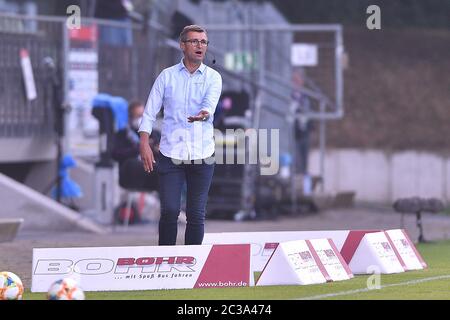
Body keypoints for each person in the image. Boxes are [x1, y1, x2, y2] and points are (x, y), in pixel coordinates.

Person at [139, 25, 222, 246]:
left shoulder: (213, 78)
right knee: (169, 210)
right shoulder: (166, 77)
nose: (200, 46)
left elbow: (209, 104)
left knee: (196, 214)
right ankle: (164, 263)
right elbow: (149, 112)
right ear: (182, 45)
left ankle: (192, 268)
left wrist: (204, 114)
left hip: (202, 154)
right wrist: (144, 144)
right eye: (194, 41)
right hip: (170, 153)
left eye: (203, 42)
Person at [112, 100, 160, 191]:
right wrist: (141, 148)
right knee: (134, 164)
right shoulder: (123, 134)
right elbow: (115, 153)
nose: (142, 119)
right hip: (130, 176)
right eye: (138, 116)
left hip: (151, 176)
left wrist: (155, 148)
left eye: (143, 116)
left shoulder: (154, 134)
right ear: (131, 118)